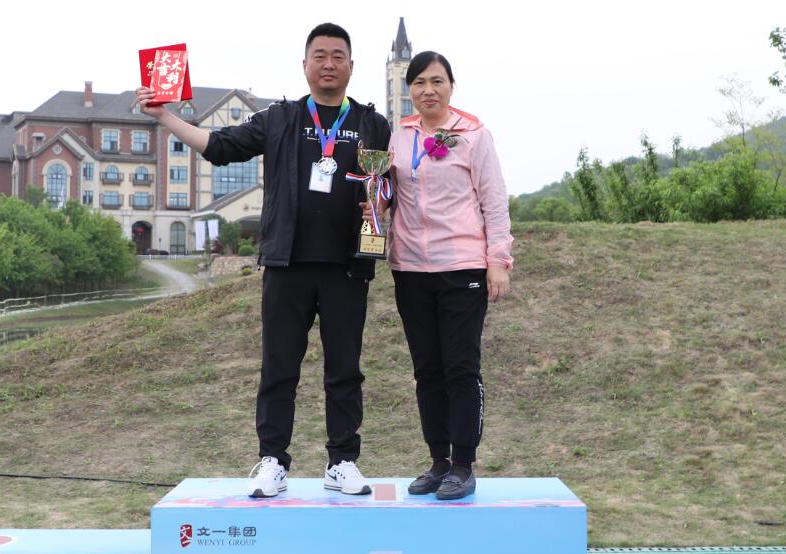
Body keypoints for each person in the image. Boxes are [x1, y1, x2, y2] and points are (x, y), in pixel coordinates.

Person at [136, 23, 391, 498]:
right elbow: (220, 147)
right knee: (279, 367)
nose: (329, 64)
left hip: (347, 266)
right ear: (305, 64)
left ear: (351, 66)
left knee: (345, 370)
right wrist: (164, 116)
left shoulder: (372, 123)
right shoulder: (280, 118)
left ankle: (342, 462)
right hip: (285, 264)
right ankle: (273, 461)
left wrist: (381, 205)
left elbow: (387, 185)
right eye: (320, 55)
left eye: (338, 56)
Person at [381, 51, 513, 500]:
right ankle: (438, 461)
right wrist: (373, 204)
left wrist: (498, 260)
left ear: (451, 86)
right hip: (410, 268)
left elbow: (494, 200)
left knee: (460, 368)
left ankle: (463, 464)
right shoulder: (399, 135)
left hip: (463, 266)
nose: (428, 90)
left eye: (437, 81)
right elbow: (388, 192)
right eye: (419, 82)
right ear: (409, 90)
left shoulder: (474, 135)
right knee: (427, 370)